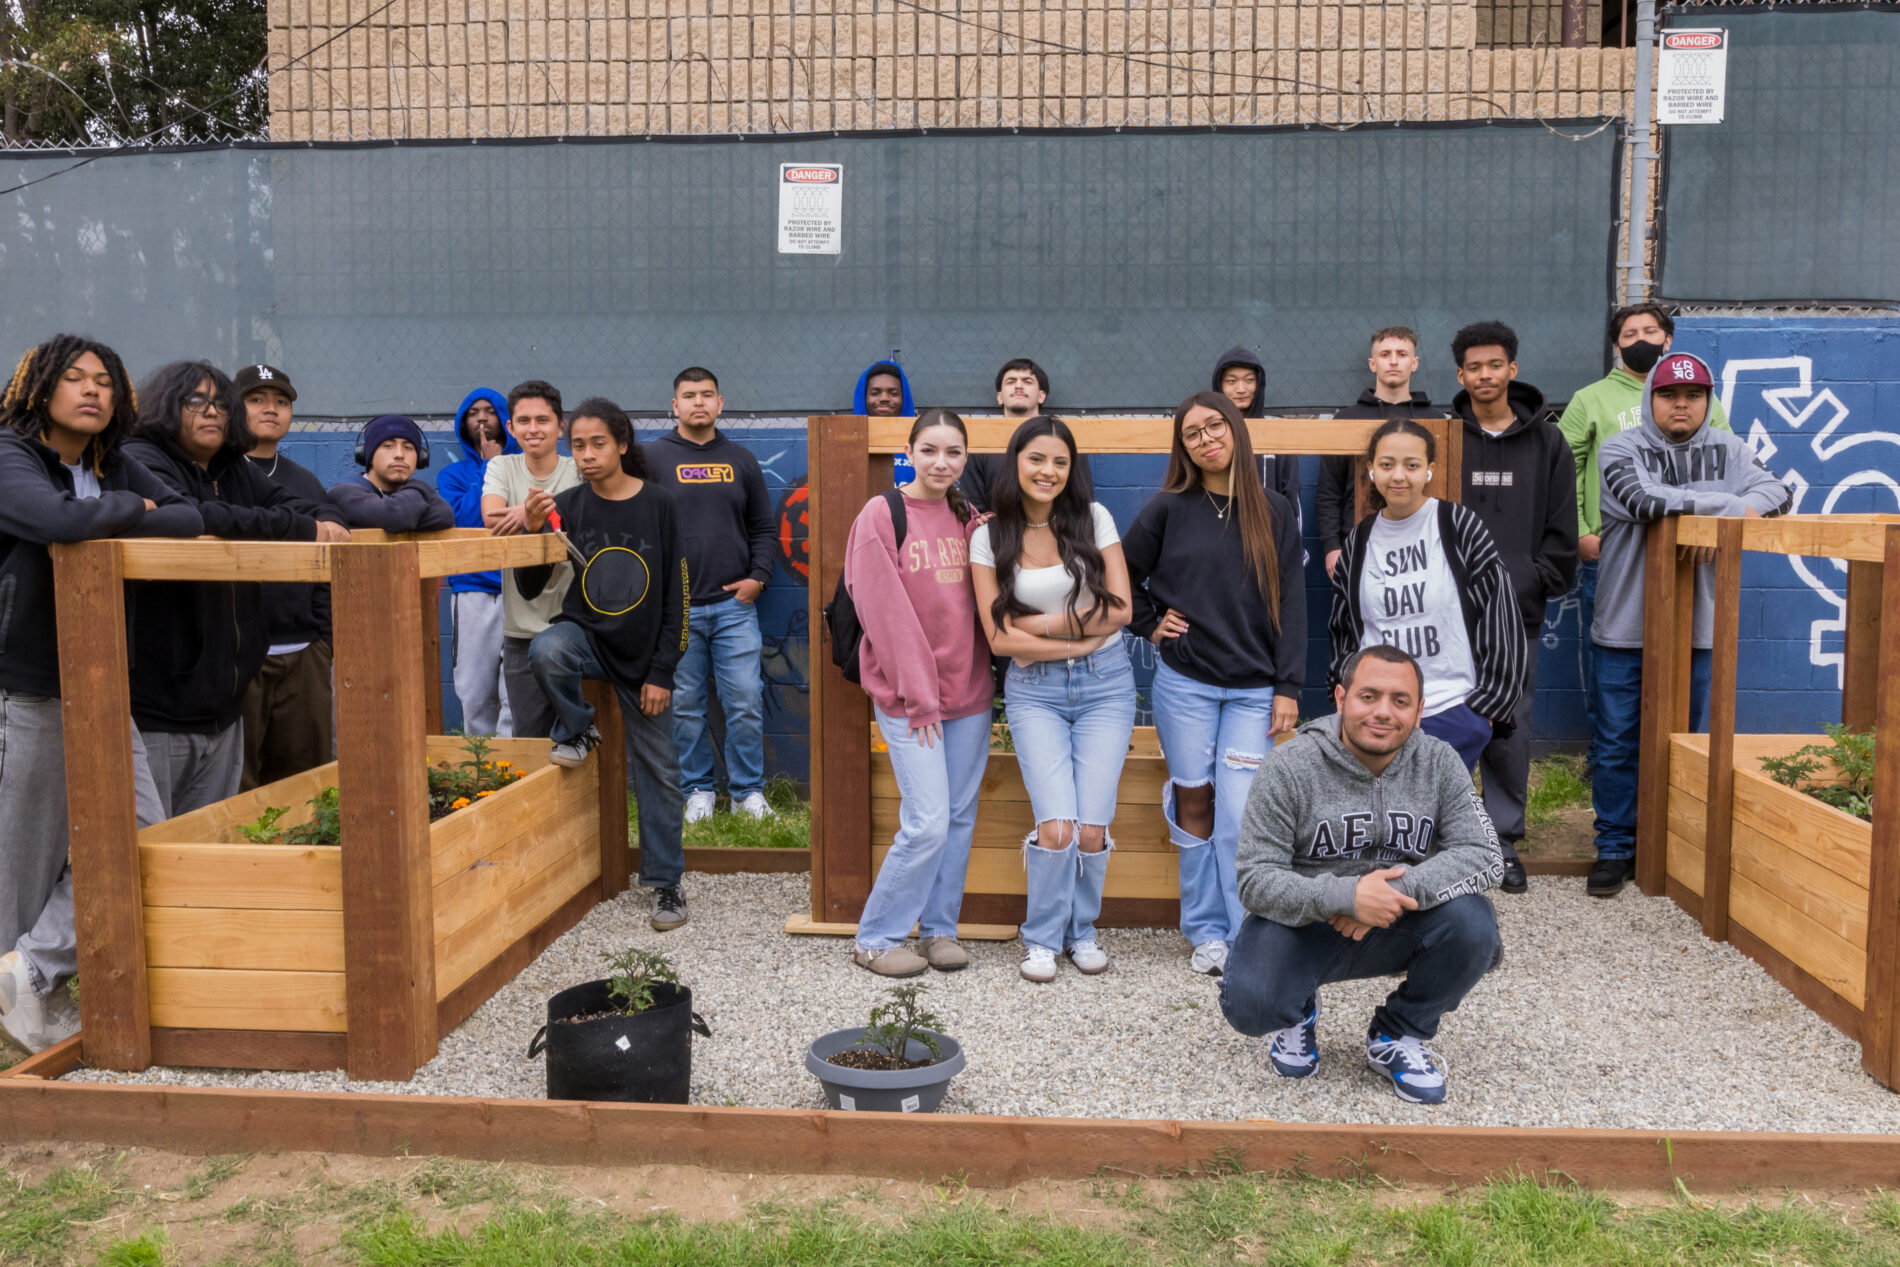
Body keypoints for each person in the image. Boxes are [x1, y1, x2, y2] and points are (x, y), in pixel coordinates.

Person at [0, 335, 196, 1054]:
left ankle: (30, 971)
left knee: (141, 834)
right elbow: (53, 520)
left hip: (106, 685)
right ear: (39, 387)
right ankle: (15, 994)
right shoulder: (9, 454)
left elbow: (190, 517)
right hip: (33, 685)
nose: (92, 390)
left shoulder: (113, 463)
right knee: (23, 856)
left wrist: (118, 503)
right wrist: (128, 507)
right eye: (75, 378)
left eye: (105, 381)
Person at [1219, 644, 1505, 1105]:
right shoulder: (1288, 767)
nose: (1383, 712)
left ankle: (1398, 1035)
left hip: (1398, 916)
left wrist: (1392, 893)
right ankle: (1297, 1011)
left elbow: (1485, 855)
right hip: (1307, 920)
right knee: (1252, 1004)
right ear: (1340, 698)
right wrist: (1346, 896)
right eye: (1368, 696)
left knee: (1474, 925)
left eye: (1400, 701)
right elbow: (1255, 878)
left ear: (1419, 711)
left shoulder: (1439, 761)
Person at [1586, 352, 1790, 897]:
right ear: (1651, 398)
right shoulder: (1622, 446)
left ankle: (1674, 843)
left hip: (1700, 629)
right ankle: (1614, 846)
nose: (1681, 404)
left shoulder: (1729, 448)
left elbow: (1778, 496)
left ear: (1707, 401)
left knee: (1689, 741)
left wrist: (1702, 516)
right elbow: (1640, 498)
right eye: (1670, 395)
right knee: (1616, 743)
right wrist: (1720, 509)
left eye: (1694, 395)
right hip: (1625, 625)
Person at [1124, 392, 1306, 977]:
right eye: (1192, 434)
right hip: (1185, 685)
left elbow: (1293, 604)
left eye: (1213, 427)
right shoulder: (1168, 509)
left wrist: (1288, 686)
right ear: (1183, 448)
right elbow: (1119, 577)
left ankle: (1245, 931)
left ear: (1236, 431)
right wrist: (1151, 625)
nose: (1205, 440)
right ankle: (1205, 931)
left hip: (1255, 689)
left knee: (1241, 814)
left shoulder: (1275, 510)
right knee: (1194, 800)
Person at [125, 361, 346, 819]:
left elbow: (304, 504)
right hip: (159, 706)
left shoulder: (232, 469)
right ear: (167, 405)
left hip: (225, 704)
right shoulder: (141, 459)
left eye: (221, 404)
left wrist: (330, 521)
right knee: (154, 844)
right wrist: (306, 527)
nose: (212, 413)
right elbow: (197, 515)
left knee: (224, 833)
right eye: (196, 402)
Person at [971, 416, 1134, 983]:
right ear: (1016, 462)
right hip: (1035, 693)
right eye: (1037, 459)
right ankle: (1041, 938)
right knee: (1057, 828)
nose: (1048, 471)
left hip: (1106, 685)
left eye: (1060, 462)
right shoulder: (989, 535)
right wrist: (1075, 631)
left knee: (1091, 830)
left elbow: (1121, 612)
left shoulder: (1094, 518)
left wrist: (1033, 630)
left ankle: (1081, 931)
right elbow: (996, 638)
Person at [520, 399, 691, 932]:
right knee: (546, 648)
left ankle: (666, 884)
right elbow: (531, 588)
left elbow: (678, 597)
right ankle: (579, 728)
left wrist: (662, 672)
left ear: (621, 443)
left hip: (644, 663)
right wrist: (531, 533)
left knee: (658, 772)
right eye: (578, 445)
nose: (588, 455)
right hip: (589, 639)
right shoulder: (567, 506)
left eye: (598, 443)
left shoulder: (660, 504)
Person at [843, 409, 990, 978]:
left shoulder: (967, 517)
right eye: (929, 450)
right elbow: (883, 613)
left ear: (965, 458)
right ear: (909, 451)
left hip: (970, 694)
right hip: (912, 700)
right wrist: (919, 694)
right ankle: (877, 936)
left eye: (953, 452)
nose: (941, 462)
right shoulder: (882, 514)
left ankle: (937, 930)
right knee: (926, 821)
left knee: (956, 817)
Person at [1558, 304, 1732, 745]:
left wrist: (1713, 529)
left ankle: (1673, 774)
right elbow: (1564, 471)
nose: (1641, 340)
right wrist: (1581, 532)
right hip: (1615, 555)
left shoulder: (1701, 400)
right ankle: (1610, 769)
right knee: (1612, 666)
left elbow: (1729, 464)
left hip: (1690, 558)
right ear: (1616, 346)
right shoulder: (1589, 399)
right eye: (1630, 333)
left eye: (1650, 331)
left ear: (1667, 340)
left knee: (1686, 670)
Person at [1448, 321, 1577, 895]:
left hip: (1514, 611)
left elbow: (1561, 528)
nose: (1484, 376)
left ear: (1512, 369)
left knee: (1509, 724)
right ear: (1460, 375)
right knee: (1443, 721)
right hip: (1447, 612)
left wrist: (1533, 579)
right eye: (1474, 367)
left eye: (1494, 365)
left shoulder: (1547, 442)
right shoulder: (1447, 438)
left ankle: (1501, 841)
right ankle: (1446, 837)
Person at [1328, 419, 1526, 777]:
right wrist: (1346, 692)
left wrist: (1485, 709)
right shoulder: (1360, 540)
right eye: (1386, 465)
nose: (1398, 475)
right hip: (1379, 713)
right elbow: (1343, 626)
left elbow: (1499, 612)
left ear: (1429, 470)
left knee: (1439, 822)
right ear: (1371, 469)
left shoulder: (1457, 525)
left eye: (1412, 465)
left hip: (1450, 708)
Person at [650, 367, 779, 823]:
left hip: (733, 608)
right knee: (685, 707)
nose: (698, 402)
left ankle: (747, 793)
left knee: (744, 700)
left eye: (707, 395)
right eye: (689, 395)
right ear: (675, 406)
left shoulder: (741, 459)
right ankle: (698, 791)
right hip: (676, 609)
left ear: (720, 404)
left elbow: (764, 527)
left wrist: (757, 578)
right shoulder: (652, 460)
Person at [235, 363, 347, 789]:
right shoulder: (219, 476)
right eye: (257, 399)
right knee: (239, 784)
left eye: (281, 401)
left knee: (306, 784)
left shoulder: (304, 480)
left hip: (303, 650)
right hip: (242, 652)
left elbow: (330, 557)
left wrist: (324, 640)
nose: (271, 409)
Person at [483, 380, 580, 739]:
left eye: (543, 419)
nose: (533, 429)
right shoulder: (502, 467)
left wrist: (527, 512)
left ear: (560, 425)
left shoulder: (577, 468)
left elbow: (587, 515)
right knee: (529, 734)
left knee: (576, 733)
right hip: (520, 627)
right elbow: (492, 518)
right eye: (523, 421)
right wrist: (533, 512)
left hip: (574, 625)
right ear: (510, 428)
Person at [1318, 327, 1443, 578]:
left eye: (1402, 354)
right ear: (1373, 364)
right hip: (1360, 546)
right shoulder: (1346, 419)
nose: (1394, 361)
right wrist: (1332, 546)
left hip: (1425, 548)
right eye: (1385, 354)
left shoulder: (1436, 421)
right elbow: (1329, 491)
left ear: (1414, 363)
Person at [436, 387, 518, 736]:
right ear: (462, 422)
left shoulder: (526, 466)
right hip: (473, 590)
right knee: (473, 692)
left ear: (505, 419)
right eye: (473, 412)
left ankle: (512, 777)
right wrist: (490, 466)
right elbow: (470, 518)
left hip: (521, 590)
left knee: (515, 693)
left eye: (489, 411)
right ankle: (482, 776)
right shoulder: (452, 476)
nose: (482, 418)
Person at [961, 359, 1093, 513]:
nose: (1018, 385)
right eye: (1010, 381)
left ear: (1041, 396)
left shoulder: (1065, 440)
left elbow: (1082, 499)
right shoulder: (981, 444)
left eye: (1027, 381)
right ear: (999, 397)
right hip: (999, 533)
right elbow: (974, 509)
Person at [1210, 345, 1301, 526]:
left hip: (1269, 540)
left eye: (1249, 380)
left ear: (1258, 385)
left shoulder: (1278, 433)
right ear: (1219, 386)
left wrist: (1290, 548)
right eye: (1231, 381)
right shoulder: (1208, 435)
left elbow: (1291, 495)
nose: (1241, 388)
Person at [327, 414, 455, 531]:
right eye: (388, 446)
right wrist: (420, 488)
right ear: (368, 455)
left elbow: (444, 515)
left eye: (408, 447)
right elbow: (396, 517)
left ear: (420, 458)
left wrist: (399, 520)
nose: (399, 454)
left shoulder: (412, 493)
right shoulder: (343, 493)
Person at [856, 358, 917, 484]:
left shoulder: (920, 443)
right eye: (875, 393)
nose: (884, 398)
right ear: (863, 397)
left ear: (904, 398)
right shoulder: (847, 442)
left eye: (894, 393)